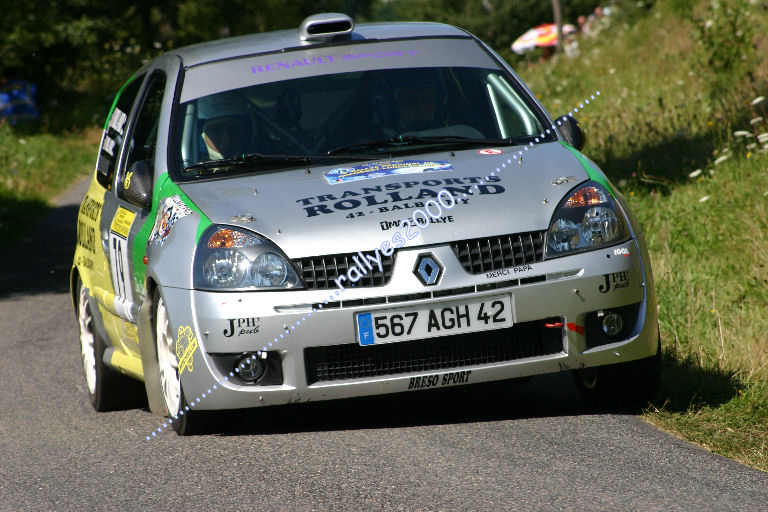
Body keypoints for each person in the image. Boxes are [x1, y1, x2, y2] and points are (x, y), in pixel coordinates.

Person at [197, 92, 251, 160]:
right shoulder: (191, 168)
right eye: (216, 131)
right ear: (200, 135)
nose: (227, 139)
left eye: (233, 129)